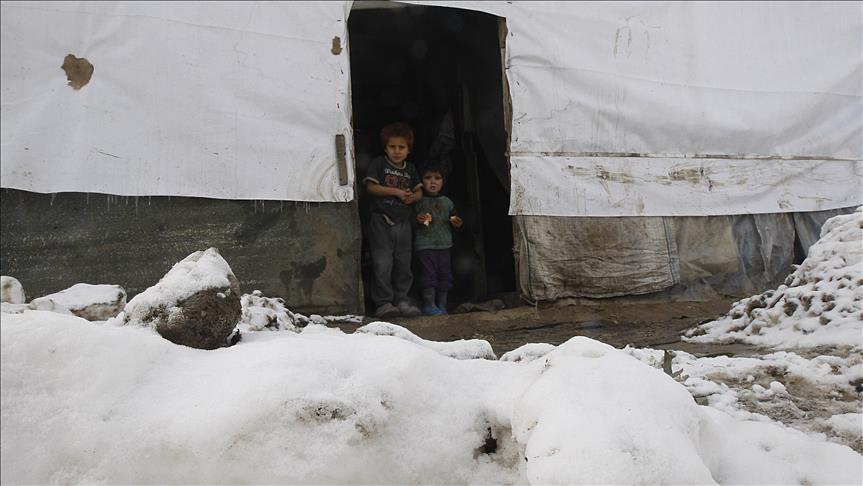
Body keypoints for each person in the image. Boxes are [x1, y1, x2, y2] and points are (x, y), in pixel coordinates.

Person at [363, 122, 424, 318]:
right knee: (383, 263)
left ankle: (402, 300)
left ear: (409, 150)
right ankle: (383, 303)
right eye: (392, 147)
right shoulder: (379, 164)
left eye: (401, 147)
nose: (397, 151)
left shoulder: (411, 169)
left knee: (403, 263)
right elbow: (371, 187)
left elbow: (419, 192)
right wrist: (396, 192)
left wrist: (412, 197)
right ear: (385, 148)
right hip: (381, 220)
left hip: (403, 222)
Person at [413, 161, 463, 315]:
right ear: (421, 181)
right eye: (428, 178)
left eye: (437, 178)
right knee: (428, 275)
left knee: (445, 275)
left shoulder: (448, 202)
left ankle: (442, 305)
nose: (432, 182)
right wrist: (417, 219)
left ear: (443, 181)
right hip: (425, 245)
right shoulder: (418, 201)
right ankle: (429, 305)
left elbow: (455, 220)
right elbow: (409, 221)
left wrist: (458, 223)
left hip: (444, 245)